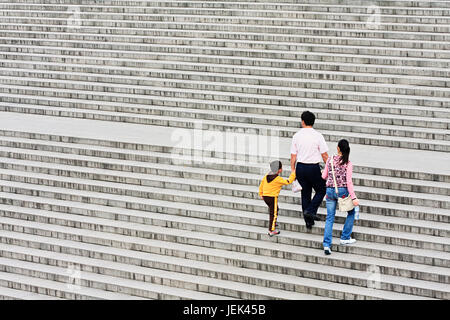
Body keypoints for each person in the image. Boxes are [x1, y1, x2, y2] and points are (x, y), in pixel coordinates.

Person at [290, 111, 329, 229]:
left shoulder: (297, 136)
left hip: (301, 167)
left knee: (305, 193)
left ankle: (308, 222)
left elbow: (293, 156)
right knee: (322, 189)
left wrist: (293, 170)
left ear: (302, 121)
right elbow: (324, 155)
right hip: (313, 167)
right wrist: (329, 168)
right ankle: (311, 210)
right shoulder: (318, 135)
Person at [321, 139, 360, 255]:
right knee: (351, 213)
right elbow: (349, 182)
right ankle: (345, 237)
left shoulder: (330, 159)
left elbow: (324, 176)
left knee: (330, 218)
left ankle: (327, 245)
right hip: (342, 190)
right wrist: (353, 197)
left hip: (329, 190)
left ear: (338, 148)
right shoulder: (348, 163)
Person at [259, 160, 296, 237]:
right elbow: (288, 181)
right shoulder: (277, 179)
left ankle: (273, 223)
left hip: (266, 197)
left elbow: (261, 185)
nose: (282, 169)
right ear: (279, 170)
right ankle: (271, 230)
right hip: (272, 197)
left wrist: (261, 194)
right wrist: (293, 174)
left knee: (275, 209)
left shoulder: (266, 176)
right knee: (273, 214)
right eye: (281, 168)